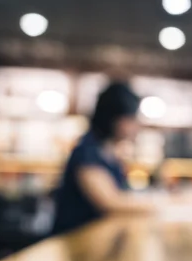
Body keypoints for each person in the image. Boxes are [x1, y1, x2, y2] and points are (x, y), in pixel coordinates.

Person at [52, 82, 159, 234]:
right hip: (74, 242)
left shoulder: (108, 153)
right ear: (114, 119)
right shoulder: (87, 151)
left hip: (94, 240)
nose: (138, 126)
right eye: (132, 119)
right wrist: (164, 204)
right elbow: (111, 202)